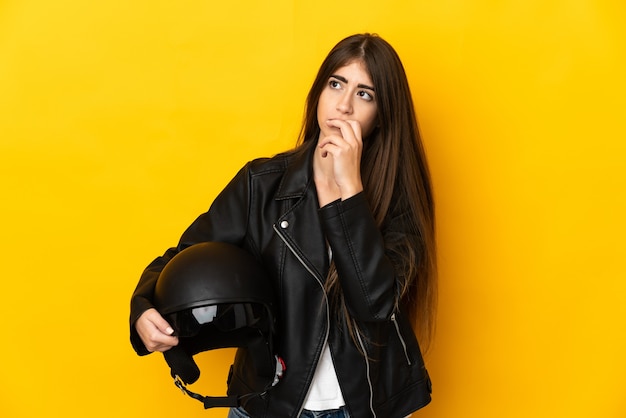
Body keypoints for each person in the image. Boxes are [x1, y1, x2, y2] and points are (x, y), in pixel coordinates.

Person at [130, 33, 437, 418]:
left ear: (381, 116)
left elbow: (373, 304)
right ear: (319, 93)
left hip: (368, 406)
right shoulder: (262, 184)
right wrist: (142, 308)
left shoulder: (398, 196)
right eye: (336, 84)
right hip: (269, 401)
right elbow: (185, 256)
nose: (343, 106)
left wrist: (349, 193)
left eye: (365, 94)